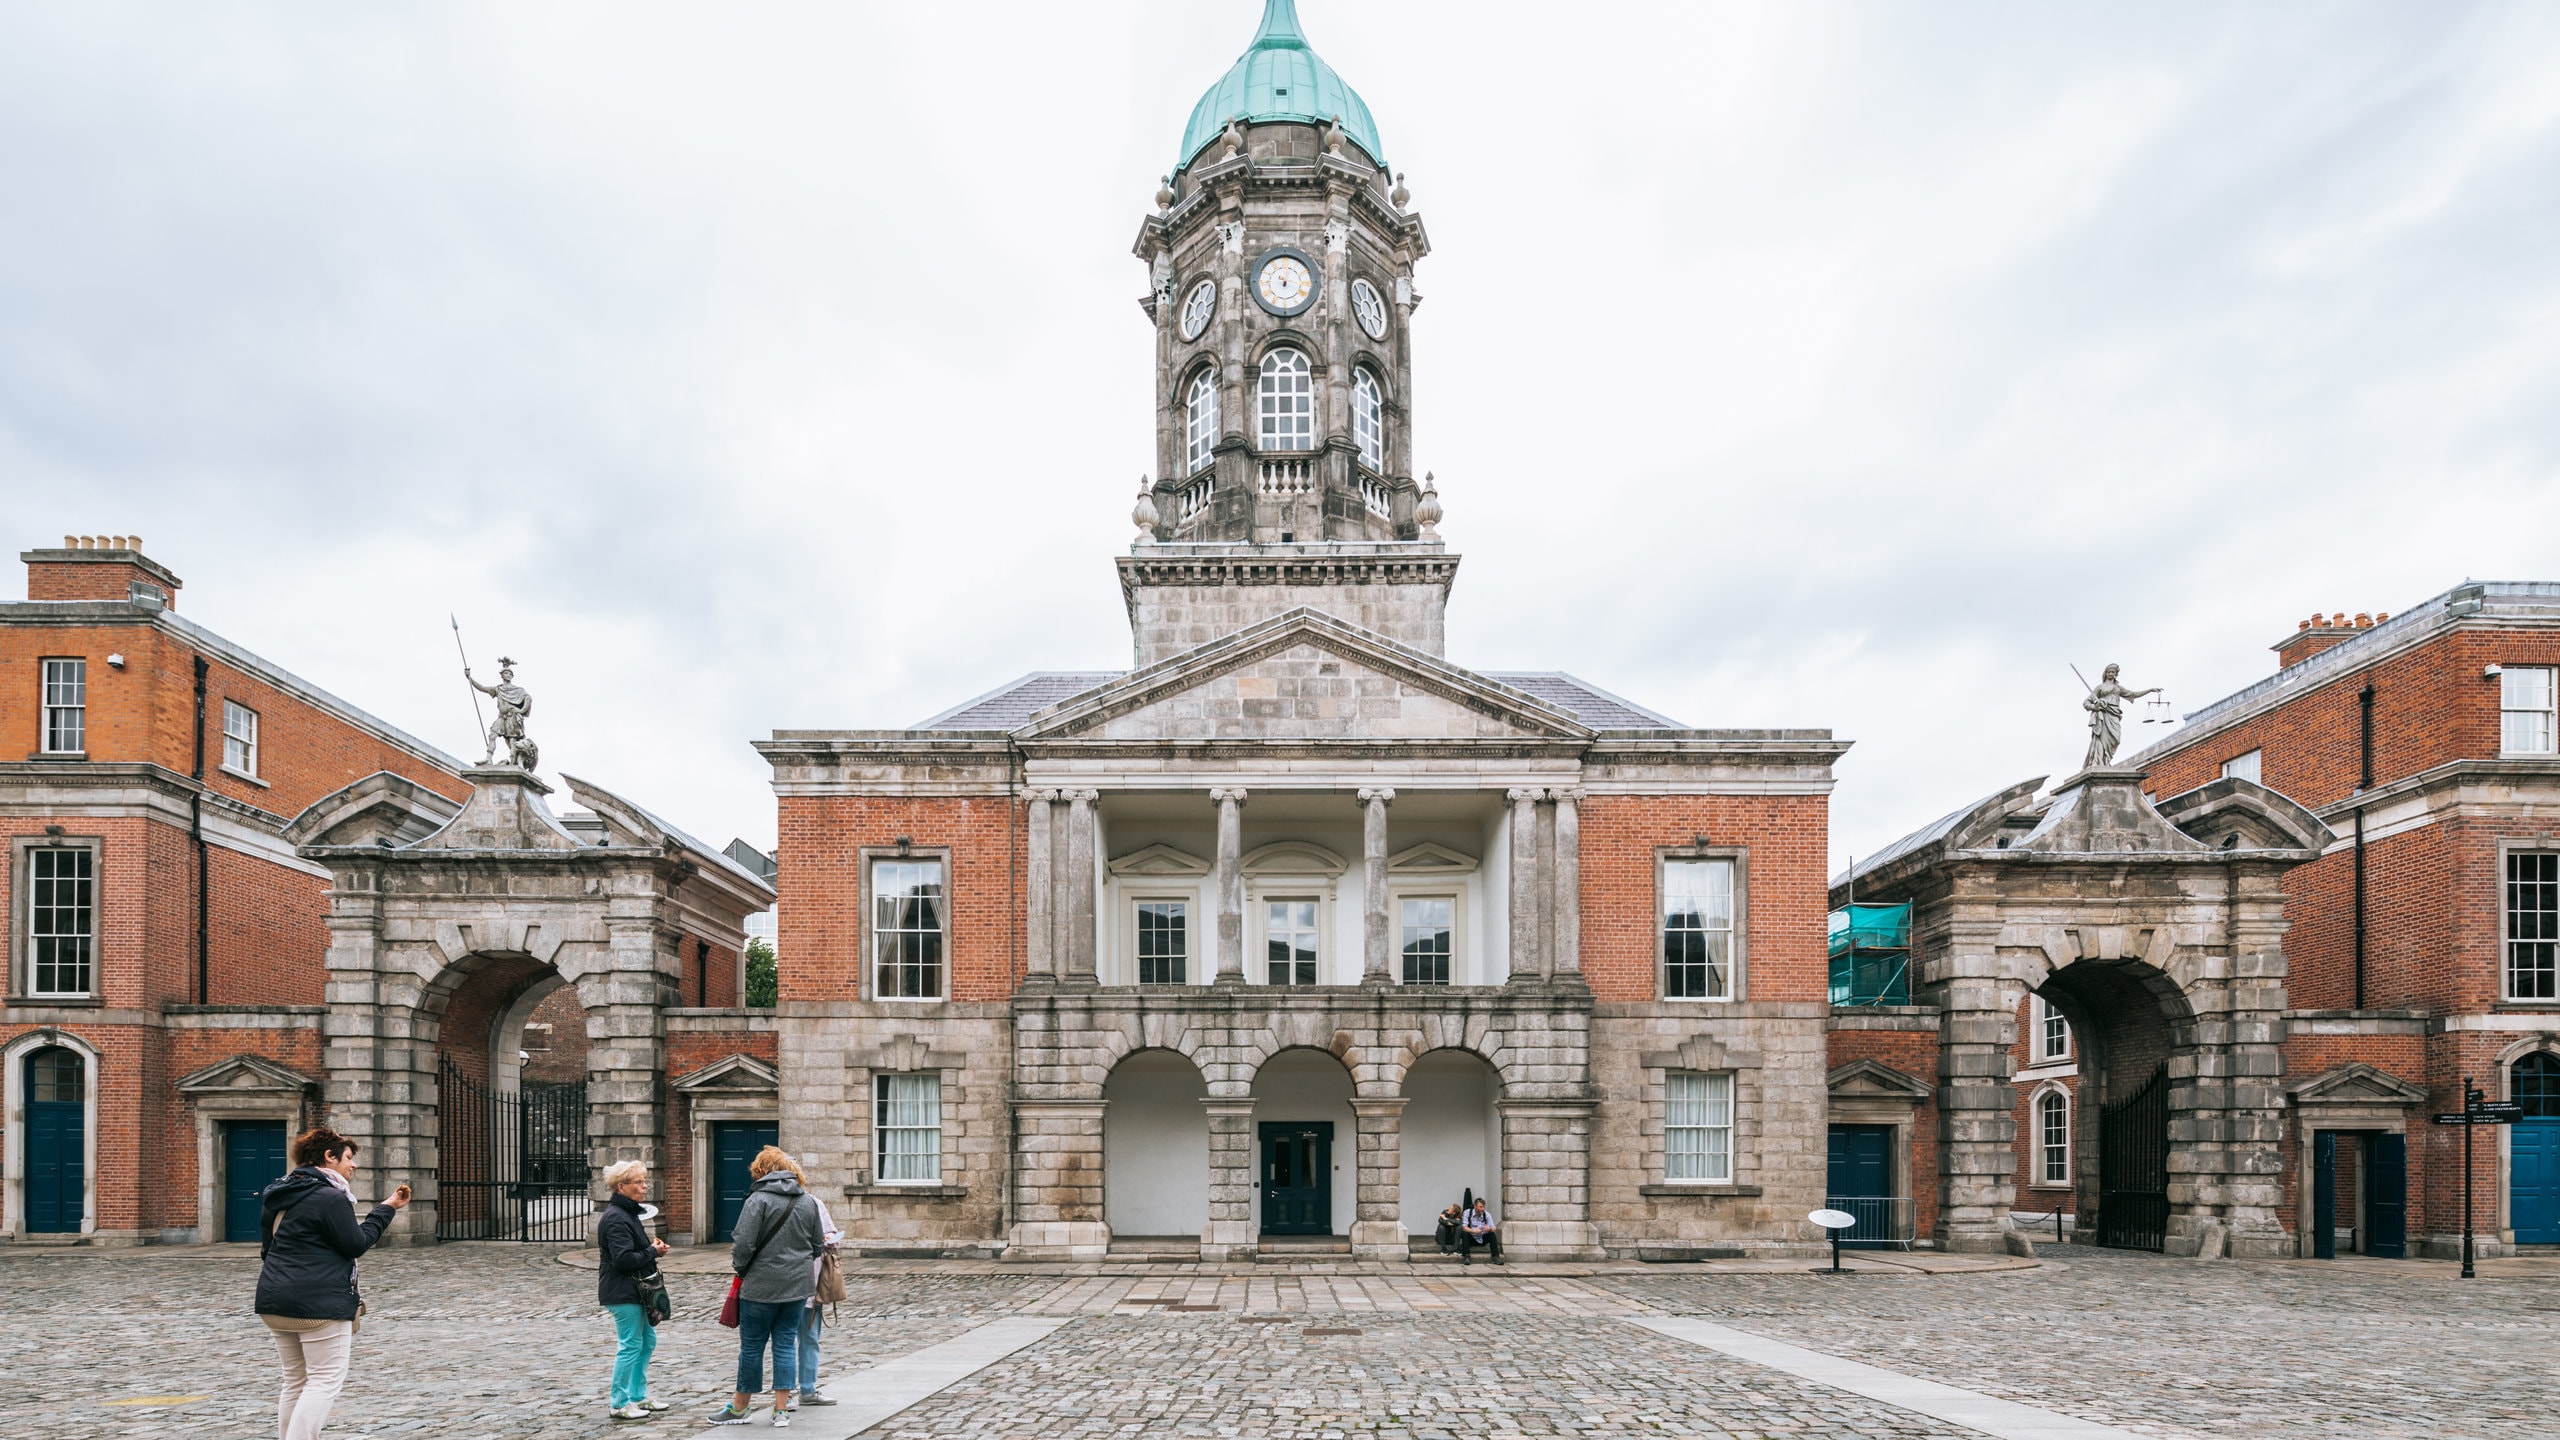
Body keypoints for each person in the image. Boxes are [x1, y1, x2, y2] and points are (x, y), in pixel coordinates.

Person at [253, 1126, 410, 1440]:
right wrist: (386, 1209)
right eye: (349, 1158)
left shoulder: (280, 1194)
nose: (354, 1165)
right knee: (324, 1381)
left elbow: (267, 1249)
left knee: (295, 1381)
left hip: (274, 1300)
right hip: (319, 1305)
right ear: (329, 1156)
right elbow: (355, 1244)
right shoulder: (329, 1197)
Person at [707, 1147, 823, 1427]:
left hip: (760, 1286)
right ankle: (781, 1410)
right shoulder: (807, 1201)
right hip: (796, 1287)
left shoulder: (757, 1200)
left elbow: (743, 1243)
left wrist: (740, 1265)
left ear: (761, 1171)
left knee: (752, 1346)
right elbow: (818, 1245)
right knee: (785, 1344)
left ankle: (739, 1407)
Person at [596, 1160, 672, 1422]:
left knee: (646, 1341)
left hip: (636, 1290)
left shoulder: (628, 1213)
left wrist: (651, 1248)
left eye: (643, 1180)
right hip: (622, 1291)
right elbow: (623, 1259)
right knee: (631, 1344)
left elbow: (632, 1250)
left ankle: (638, 1396)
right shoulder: (617, 1217)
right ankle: (618, 1402)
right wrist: (653, 1251)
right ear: (622, 1187)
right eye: (638, 1182)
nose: (644, 1186)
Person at [791, 1194, 843, 1410]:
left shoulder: (814, 1203)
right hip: (784, 1284)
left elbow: (831, 1236)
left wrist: (828, 1241)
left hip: (809, 1282)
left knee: (807, 1338)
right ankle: (787, 1393)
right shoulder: (765, 1200)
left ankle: (806, 1389)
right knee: (786, 1342)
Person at [1458, 1197, 1502, 1265]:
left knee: (1492, 1234)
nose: (1482, 1209)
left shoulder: (1487, 1214)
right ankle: (1466, 1256)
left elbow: (1493, 1228)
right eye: (1480, 1207)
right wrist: (1474, 1231)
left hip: (1482, 1238)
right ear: (1475, 1206)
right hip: (1471, 1238)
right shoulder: (1467, 1212)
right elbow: (1464, 1227)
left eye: (1484, 1207)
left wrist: (1489, 1229)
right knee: (1465, 1233)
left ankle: (1495, 1257)